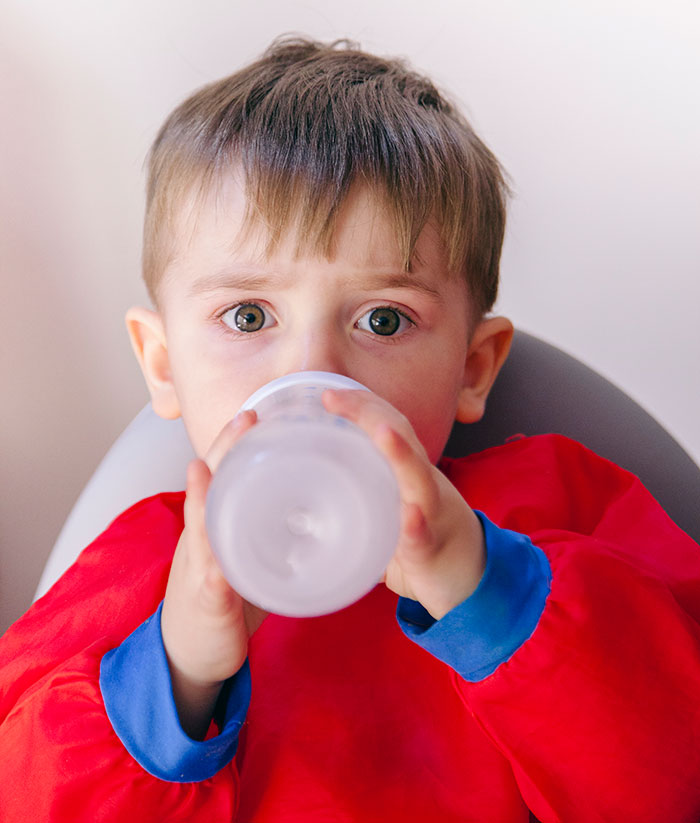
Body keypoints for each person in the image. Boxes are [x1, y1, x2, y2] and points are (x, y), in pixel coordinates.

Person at [1, 36, 699, 823]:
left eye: (383, 318)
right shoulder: (137, 570)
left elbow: (674, 779)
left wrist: (484, 588)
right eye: (248, 315)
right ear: (163, 364)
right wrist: (180, 666)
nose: (315, 370)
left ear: (473, 367)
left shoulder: (564, 503)